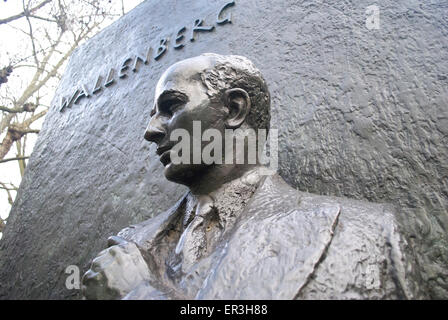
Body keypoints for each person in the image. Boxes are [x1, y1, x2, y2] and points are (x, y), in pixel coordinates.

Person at [82, 53, 424, 299]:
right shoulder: (126, 248)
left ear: (233, 109)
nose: (150, 131)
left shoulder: (361, 231)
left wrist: (139, 293)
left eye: (171, 106)